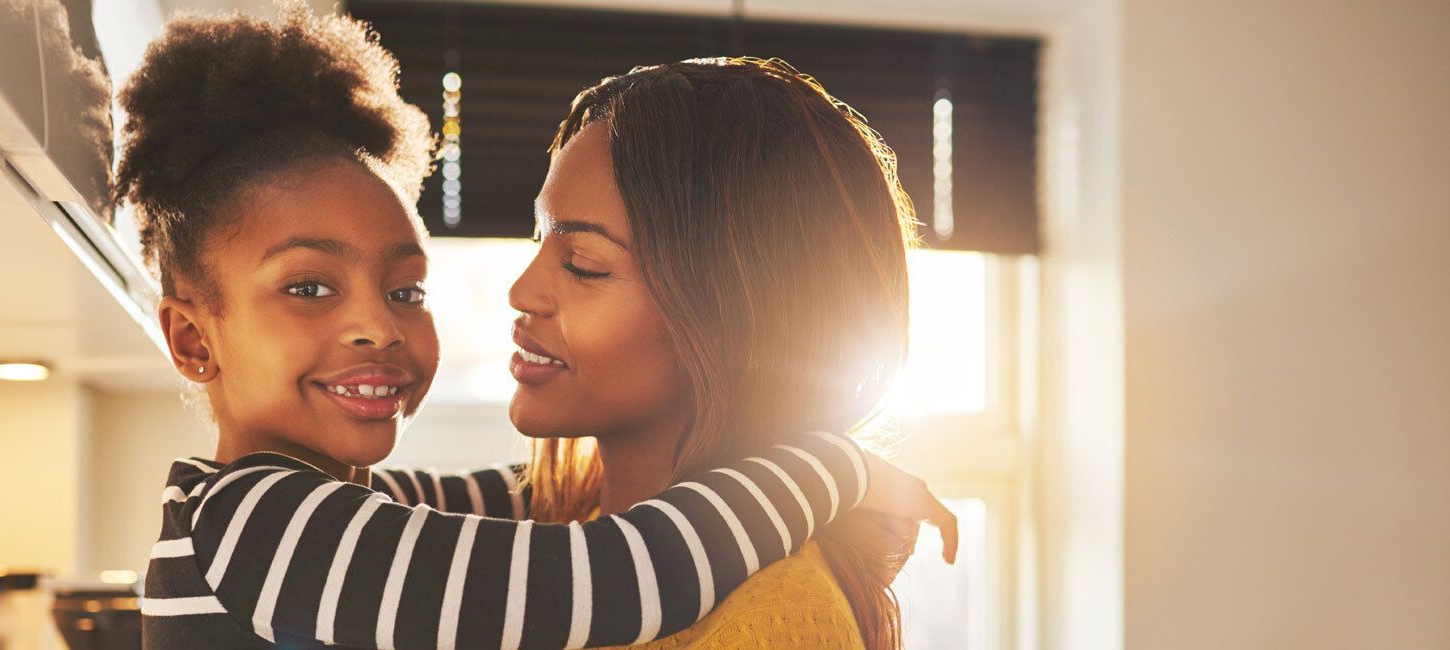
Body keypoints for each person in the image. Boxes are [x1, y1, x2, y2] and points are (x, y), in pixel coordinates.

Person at [112, 7, 955, 649]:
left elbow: (512, 508)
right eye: (307, 287)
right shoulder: (263, 522)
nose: (519, 289)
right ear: (192, 341)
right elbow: (609, 574)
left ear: (732, 312)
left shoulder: (310, 510)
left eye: (407, 290)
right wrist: (828, 469)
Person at [511, 58, 927, 648]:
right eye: (538, 240)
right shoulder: (555, 545)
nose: (521, 292)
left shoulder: (772, 617)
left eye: (583, 264)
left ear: (729, 317)